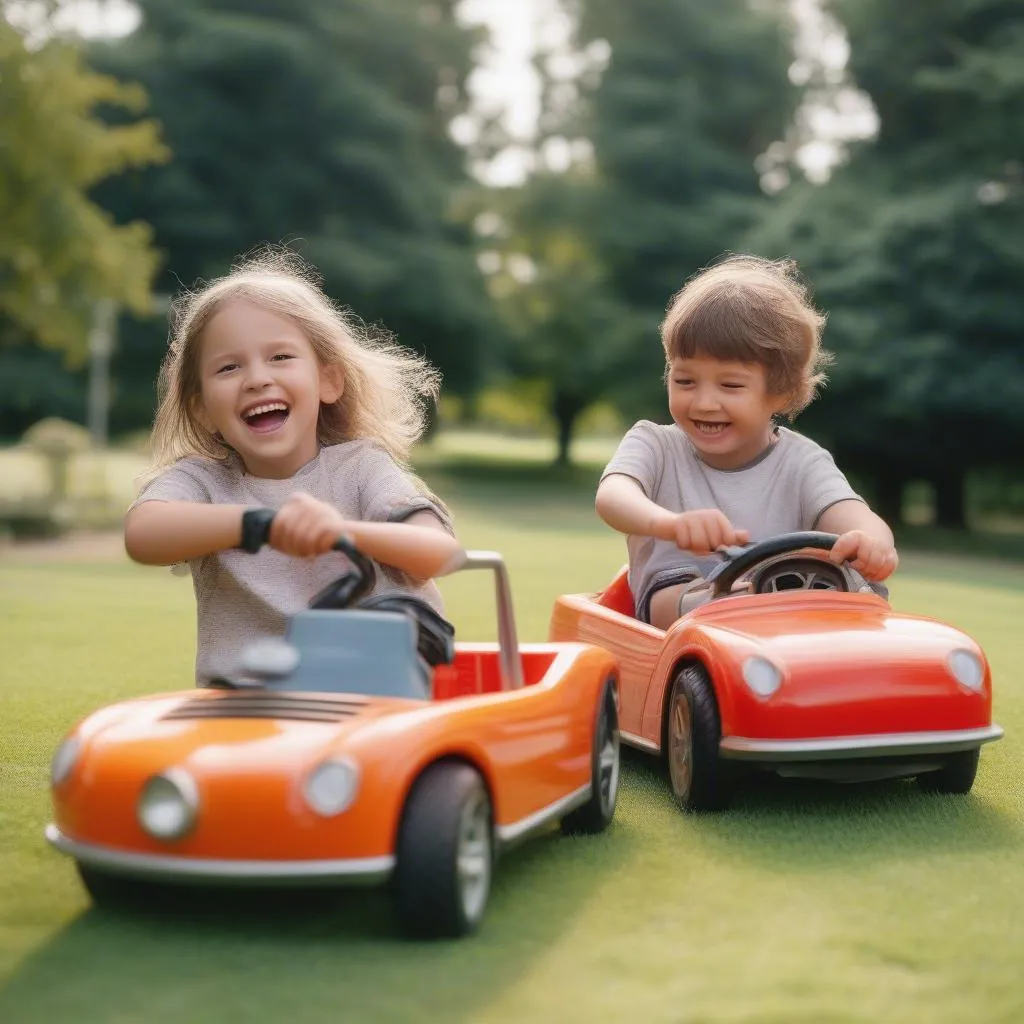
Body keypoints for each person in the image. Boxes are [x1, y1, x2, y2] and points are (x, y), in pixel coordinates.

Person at [125, 249, 462, 684]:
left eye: (280, 357)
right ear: (202, 408)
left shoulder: (360, 468)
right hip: (248, 707)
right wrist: (261, 523)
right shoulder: (204, 482)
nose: (257, 378)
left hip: (373, 698)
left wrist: (341, 532)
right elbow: (143, 535)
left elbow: (439, 552)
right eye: (228, 367)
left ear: (328, 381)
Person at [596, 254, 898, 630]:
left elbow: (853, 516)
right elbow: (612, 497)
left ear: (782, 393)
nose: (704, 402)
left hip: (787, 602)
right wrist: (669, 525)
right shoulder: (655, 445)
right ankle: (743, 606)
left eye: (730, 385)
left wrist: (872, 542)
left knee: (844, 582)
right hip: (679, 604)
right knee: (689, 594)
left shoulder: (802, 462)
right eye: (685, 381)